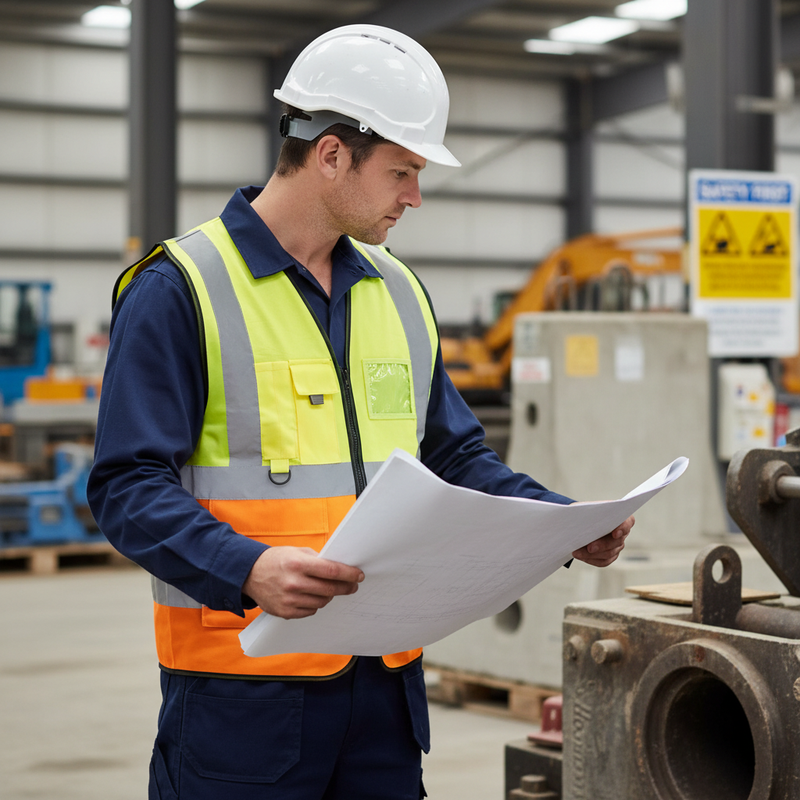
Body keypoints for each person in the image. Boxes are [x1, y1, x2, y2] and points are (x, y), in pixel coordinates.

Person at [87, 23, 634, 800]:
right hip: (240, 692)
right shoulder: (182, 288)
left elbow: (455, 458)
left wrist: (565, 519)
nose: (415, 195)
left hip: (384, 691)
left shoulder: (399, 292)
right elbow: (125, 486)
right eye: (403, 171)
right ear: (332, 153)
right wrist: (248, 568)